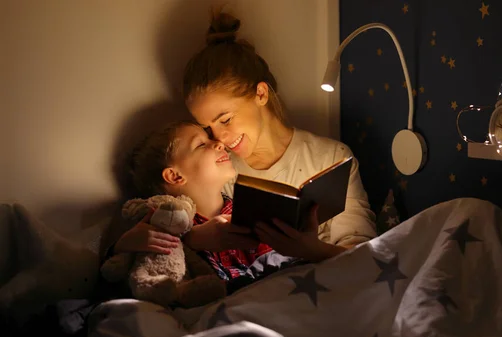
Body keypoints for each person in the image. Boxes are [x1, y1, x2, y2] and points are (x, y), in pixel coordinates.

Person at [181, 9, 377, 261]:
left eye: (226, 119)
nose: (219, 137)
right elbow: (169, 229)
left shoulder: (331, 158)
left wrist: (312, 250)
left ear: (260, 94)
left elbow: (365, 257)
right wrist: (195, 238)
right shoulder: (219, 170)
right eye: (208, 129)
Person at [98, 120, 277, 296]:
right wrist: (123, 246)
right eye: (201, 144)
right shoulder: (161, 222)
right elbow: (130, 277)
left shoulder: (247, 209)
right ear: (175, 176)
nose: (219, 143)